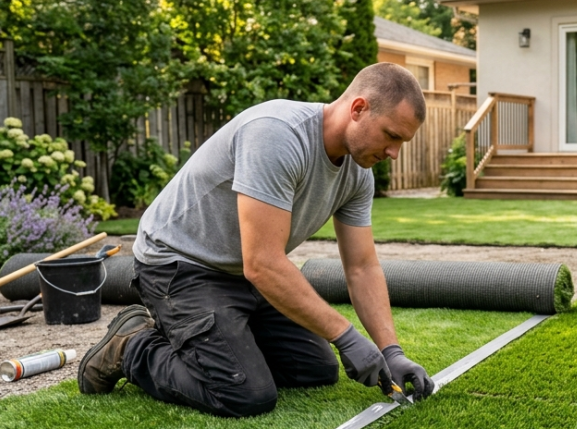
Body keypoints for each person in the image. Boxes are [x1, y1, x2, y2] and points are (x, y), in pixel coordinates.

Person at [77, 62, 435, 417]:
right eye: (392, 136)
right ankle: (131, 345)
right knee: (244, 394)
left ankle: (224, 342)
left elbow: (361, 267)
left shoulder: (358, 172)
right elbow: (263, 264)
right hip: (178, 266)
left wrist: (391, 352)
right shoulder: (277, 134)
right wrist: (346, 336)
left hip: (240, 272)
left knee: (315, 370)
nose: (394, 154)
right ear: (358, 108)